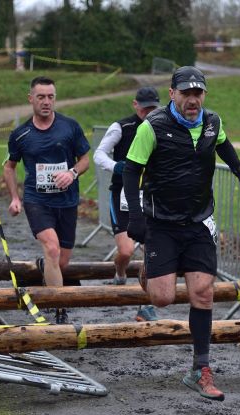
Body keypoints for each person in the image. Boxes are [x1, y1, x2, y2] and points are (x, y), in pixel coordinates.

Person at [122, 66, 240, 401]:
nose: (193, 99)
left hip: (198, 220)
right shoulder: (153, 127)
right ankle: (149, 271)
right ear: (172, 94)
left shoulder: (213, 122)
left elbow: (222, 145)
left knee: (202, 294)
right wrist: (135, 217)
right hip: (162, 223)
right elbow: (131, 170)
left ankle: (201, 369)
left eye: (198, 93)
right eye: (186, 93)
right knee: (162, 298)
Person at [3, 76, 90, 325]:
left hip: (67, 201)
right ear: (31, 99)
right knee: (52, 247)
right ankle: (59, 307)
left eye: (50, 96)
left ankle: (45, 269)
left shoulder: (70, 127)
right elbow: (9, 167)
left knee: (61, 259)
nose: (46, 102)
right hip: (36, 199)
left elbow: (85, 160)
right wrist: (14, 198)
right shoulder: (20, 134)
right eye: (41, 97)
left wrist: (72, 173)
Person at [93, 87, 161, 322]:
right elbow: (99, 154)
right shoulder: (121, 127)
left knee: (150, 253)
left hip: (150, 197)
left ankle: (146, 305)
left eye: (153, 107)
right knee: (126, 251)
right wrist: (115, 166)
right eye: (145, 108)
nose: (148, 111)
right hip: (121, 197)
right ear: (135, 105)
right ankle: (120, 271)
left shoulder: (163, 127)